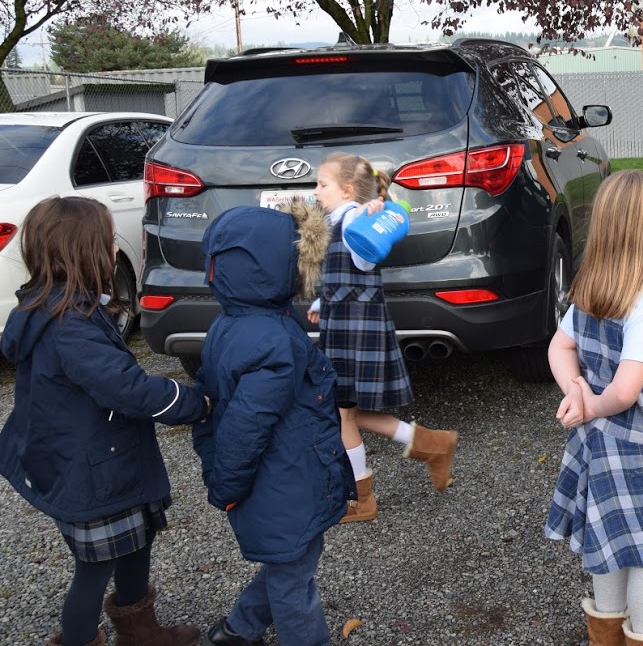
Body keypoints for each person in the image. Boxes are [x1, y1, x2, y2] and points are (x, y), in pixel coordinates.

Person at [0, 196, 207, 646]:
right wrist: (195, 403)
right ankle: (77, 639)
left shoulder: (54, 307)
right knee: (94, 569)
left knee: (137, 542)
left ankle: (140, 630)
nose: (115, 248)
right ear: (87, 251)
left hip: (105, 457)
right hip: (91, 469)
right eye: (108, 239)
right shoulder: (69, 326)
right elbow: (127, 389)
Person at [545, 170, 643, 646]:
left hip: (599, 448)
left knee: (606, 541)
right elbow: (627, 391)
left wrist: (577, 393)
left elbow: (558, 348)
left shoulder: (591, 287)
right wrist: (587, 403)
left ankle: (605, 635)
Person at [193, 204, 353, 646]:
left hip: (282, 480)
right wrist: (226, 484)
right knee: (294, 582)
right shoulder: (273, 341)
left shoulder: (233, 325)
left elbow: (215, 405)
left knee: (291, 561)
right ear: (279, 269)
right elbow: (248, 423)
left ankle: (240, 629)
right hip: (282, 483)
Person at [306, 152, 458, 522]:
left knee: (342, 414)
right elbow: (343, 279)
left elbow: (362, 254)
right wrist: (321, 302)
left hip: (356, 330)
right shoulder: (337, 222)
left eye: (322, 184)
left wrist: (374, 207)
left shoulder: (357, 220)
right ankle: (433, 444)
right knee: (351, 412)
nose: (315, 191)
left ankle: (363, 499)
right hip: (345, 325)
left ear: (345, 190)